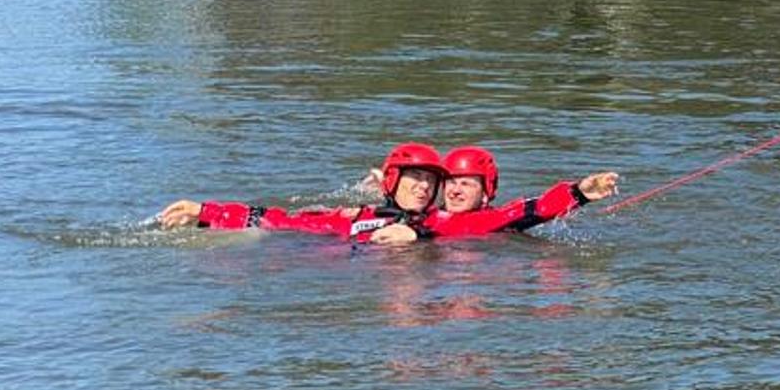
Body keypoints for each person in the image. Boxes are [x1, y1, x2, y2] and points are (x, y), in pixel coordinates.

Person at [155, 142, 445, 245]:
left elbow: (480, 226)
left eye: (430, 181)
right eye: (416, 178)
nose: (424, 187)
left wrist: (420, 237)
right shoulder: (358, 215)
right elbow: (286, 220)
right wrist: (207, 212)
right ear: (393, 180)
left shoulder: (440, 222)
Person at [413, 145, 620, 239]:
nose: (455, 191)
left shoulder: (493, 220)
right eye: (451, 182)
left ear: (485, 193)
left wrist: (579, 193)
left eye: (466, 184)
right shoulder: (424, 214)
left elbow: (537, 208)